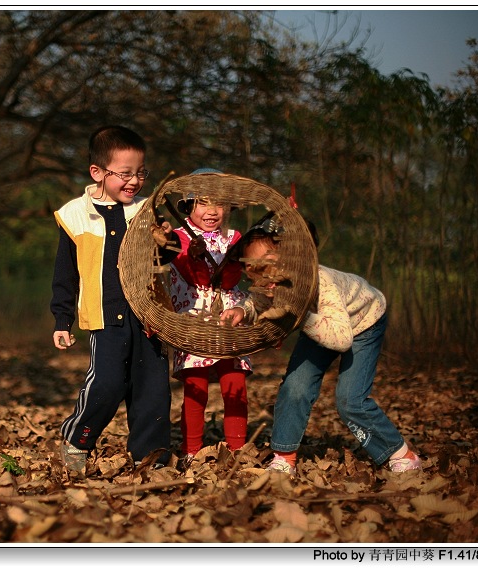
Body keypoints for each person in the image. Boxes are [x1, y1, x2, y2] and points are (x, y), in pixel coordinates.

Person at [222, 213, 421, 475]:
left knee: (350, 400)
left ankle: (401, 453)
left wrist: (299, 314)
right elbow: (256, 302)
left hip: (362, 321)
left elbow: (341, 339)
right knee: (295, 387)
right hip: (320, 326)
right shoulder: (269, 285)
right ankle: (284, 456)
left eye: (269, 263)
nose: (262, 273)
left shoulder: (321, 283)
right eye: (253, 267)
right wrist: (242, 310)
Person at [51, 125, 172, 477]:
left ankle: (151, 458)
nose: (134, 181)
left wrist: (166, 241)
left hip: (148, 317)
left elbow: (170, 258)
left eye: (140, 173)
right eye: (125, 174)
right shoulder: (75, 215)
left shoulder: (148, 211)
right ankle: (78, 438)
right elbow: (65, 275)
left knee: (152, 389)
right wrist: (62, 319)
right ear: (98, 173)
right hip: (104, 317)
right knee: (106, 383)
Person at [167, 169, 252, 461]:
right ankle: (191, 448)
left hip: (228, 316)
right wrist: (193, 254)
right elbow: (188, 274)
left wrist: (231, 259)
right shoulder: (177, 237)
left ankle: (237, 447)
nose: (212, 211)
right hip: (193, 317)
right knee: (196, 385)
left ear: (228, 207)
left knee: (234, 381)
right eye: (203, 202)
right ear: (189, 206)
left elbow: (229, 280)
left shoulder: (233, 237)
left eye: (218, 203)